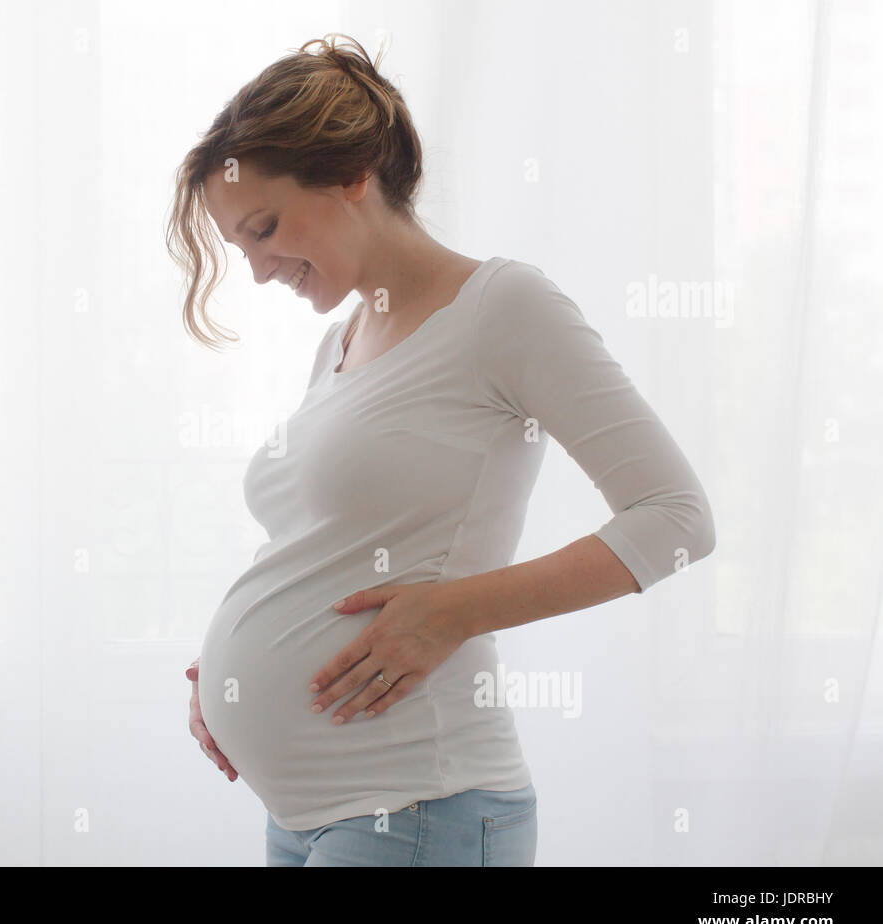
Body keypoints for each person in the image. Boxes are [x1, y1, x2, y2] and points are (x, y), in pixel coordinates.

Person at [166, 33, 714, 866]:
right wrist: (230, 666)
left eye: (265, 228)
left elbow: (677, 519)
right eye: (241, 247)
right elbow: (326, 539)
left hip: (419, 805)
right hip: (307, 814)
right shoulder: (345, 338)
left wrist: (455, 611)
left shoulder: (504, 306)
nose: (259, 271)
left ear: (352, 174)